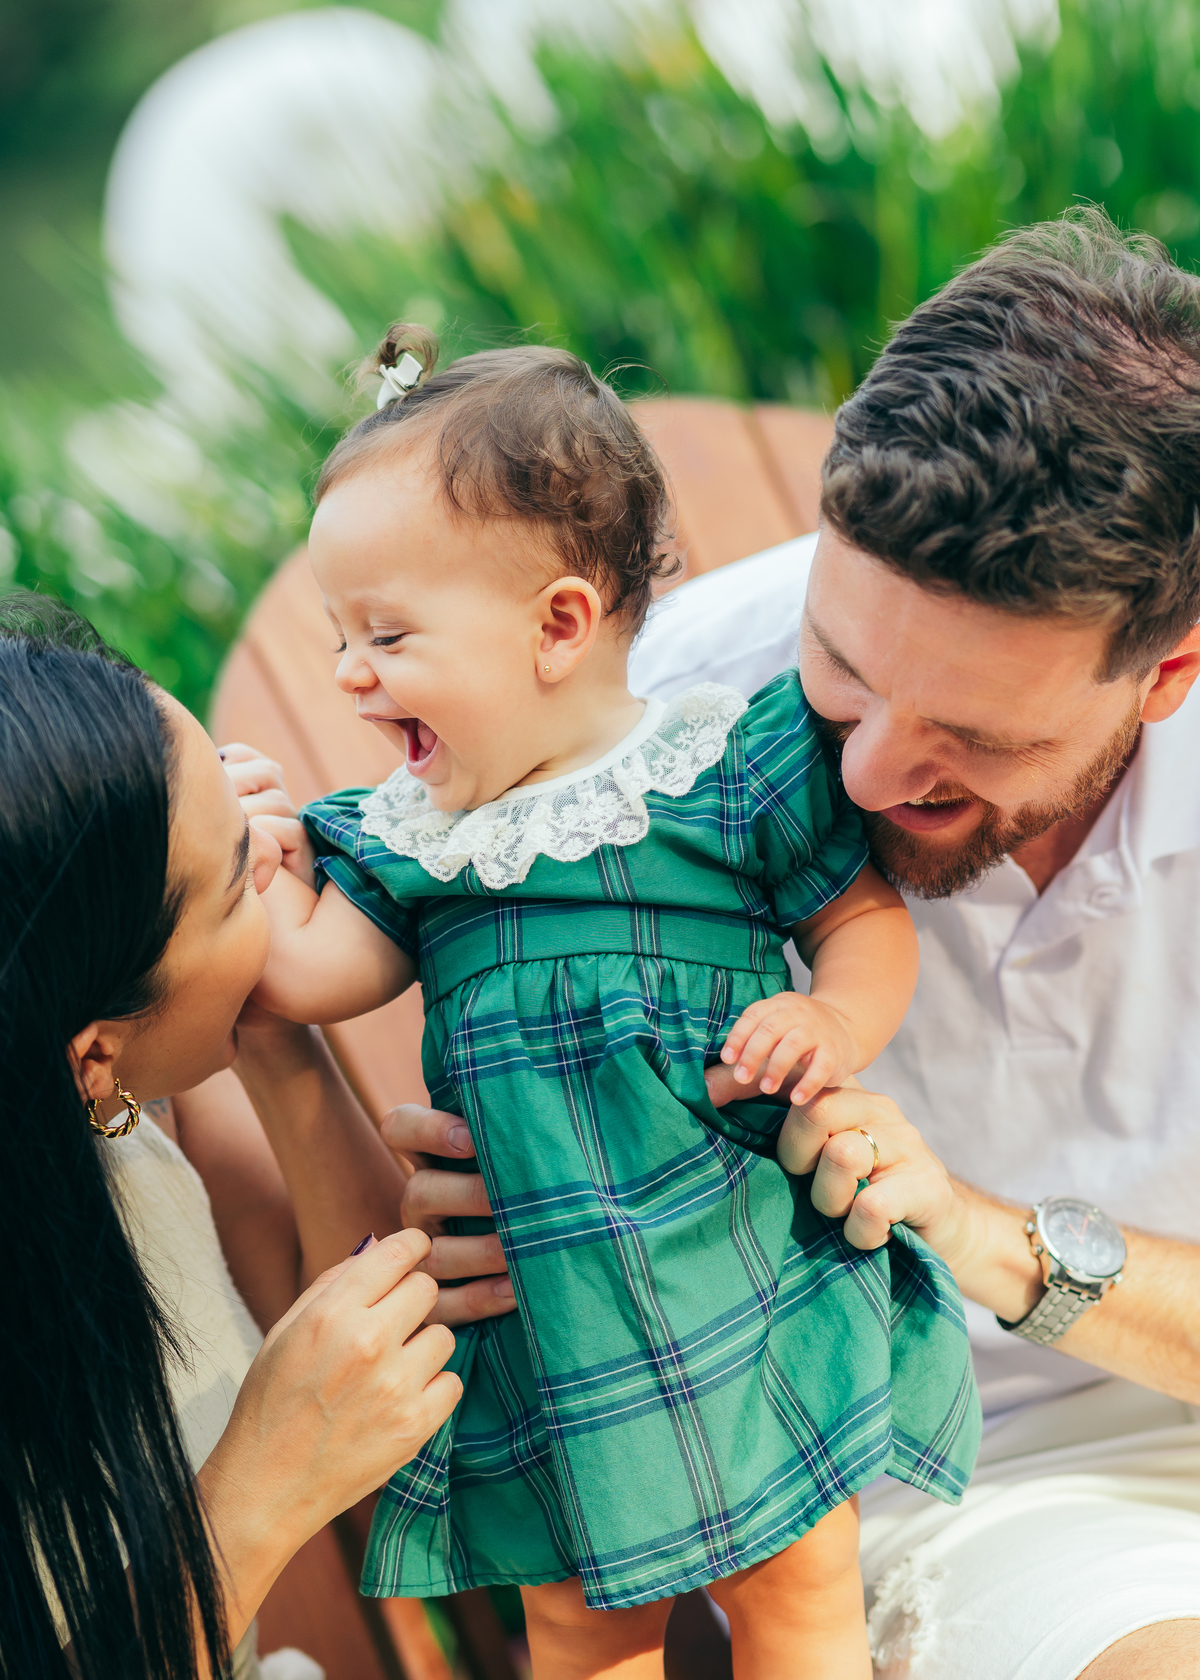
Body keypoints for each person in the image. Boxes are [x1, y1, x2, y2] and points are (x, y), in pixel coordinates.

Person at [251, 328, 980, 1678]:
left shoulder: (719, 774)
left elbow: (863, 924)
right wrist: (256, 854)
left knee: (799, 1596)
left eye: (388, 634)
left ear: (559, 625)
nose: (350, 674)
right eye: (338, 639)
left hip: (746, 1270)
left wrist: (830, 1024)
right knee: (580, 1635)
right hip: (553, 1321)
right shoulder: (420, 841)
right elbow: (300, 975)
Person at [625, 207, 1200, 1678]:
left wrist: (988, 1234)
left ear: (1170, 671)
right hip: (962, 1487)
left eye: (971, 737)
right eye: (841, 663)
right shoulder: (661, 725)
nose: (873, 772)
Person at [0, 596, 476, 1680]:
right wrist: (256, 1490)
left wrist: (266, 1028)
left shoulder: (99, 1123)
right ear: (90, 1053)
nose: (272, 856)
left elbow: (333, 1311)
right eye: (232, 883)